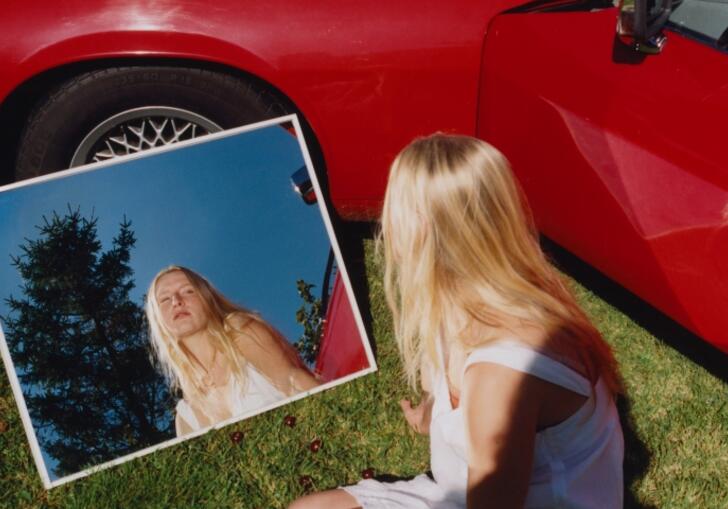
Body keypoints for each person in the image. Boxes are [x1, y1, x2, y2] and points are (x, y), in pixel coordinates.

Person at [289, 134, 624, 508]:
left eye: (396, 206)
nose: (386, 220)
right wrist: (435, 412)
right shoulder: (467, 298)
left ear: (427, 231)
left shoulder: (501, 374)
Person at [146, 265, 321, 436]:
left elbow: (294, 381)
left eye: (188, 291)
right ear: (158, 319)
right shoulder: (186, 417)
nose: (176, 301)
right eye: (165, 299)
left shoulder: (240, 331)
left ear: (208, 298)